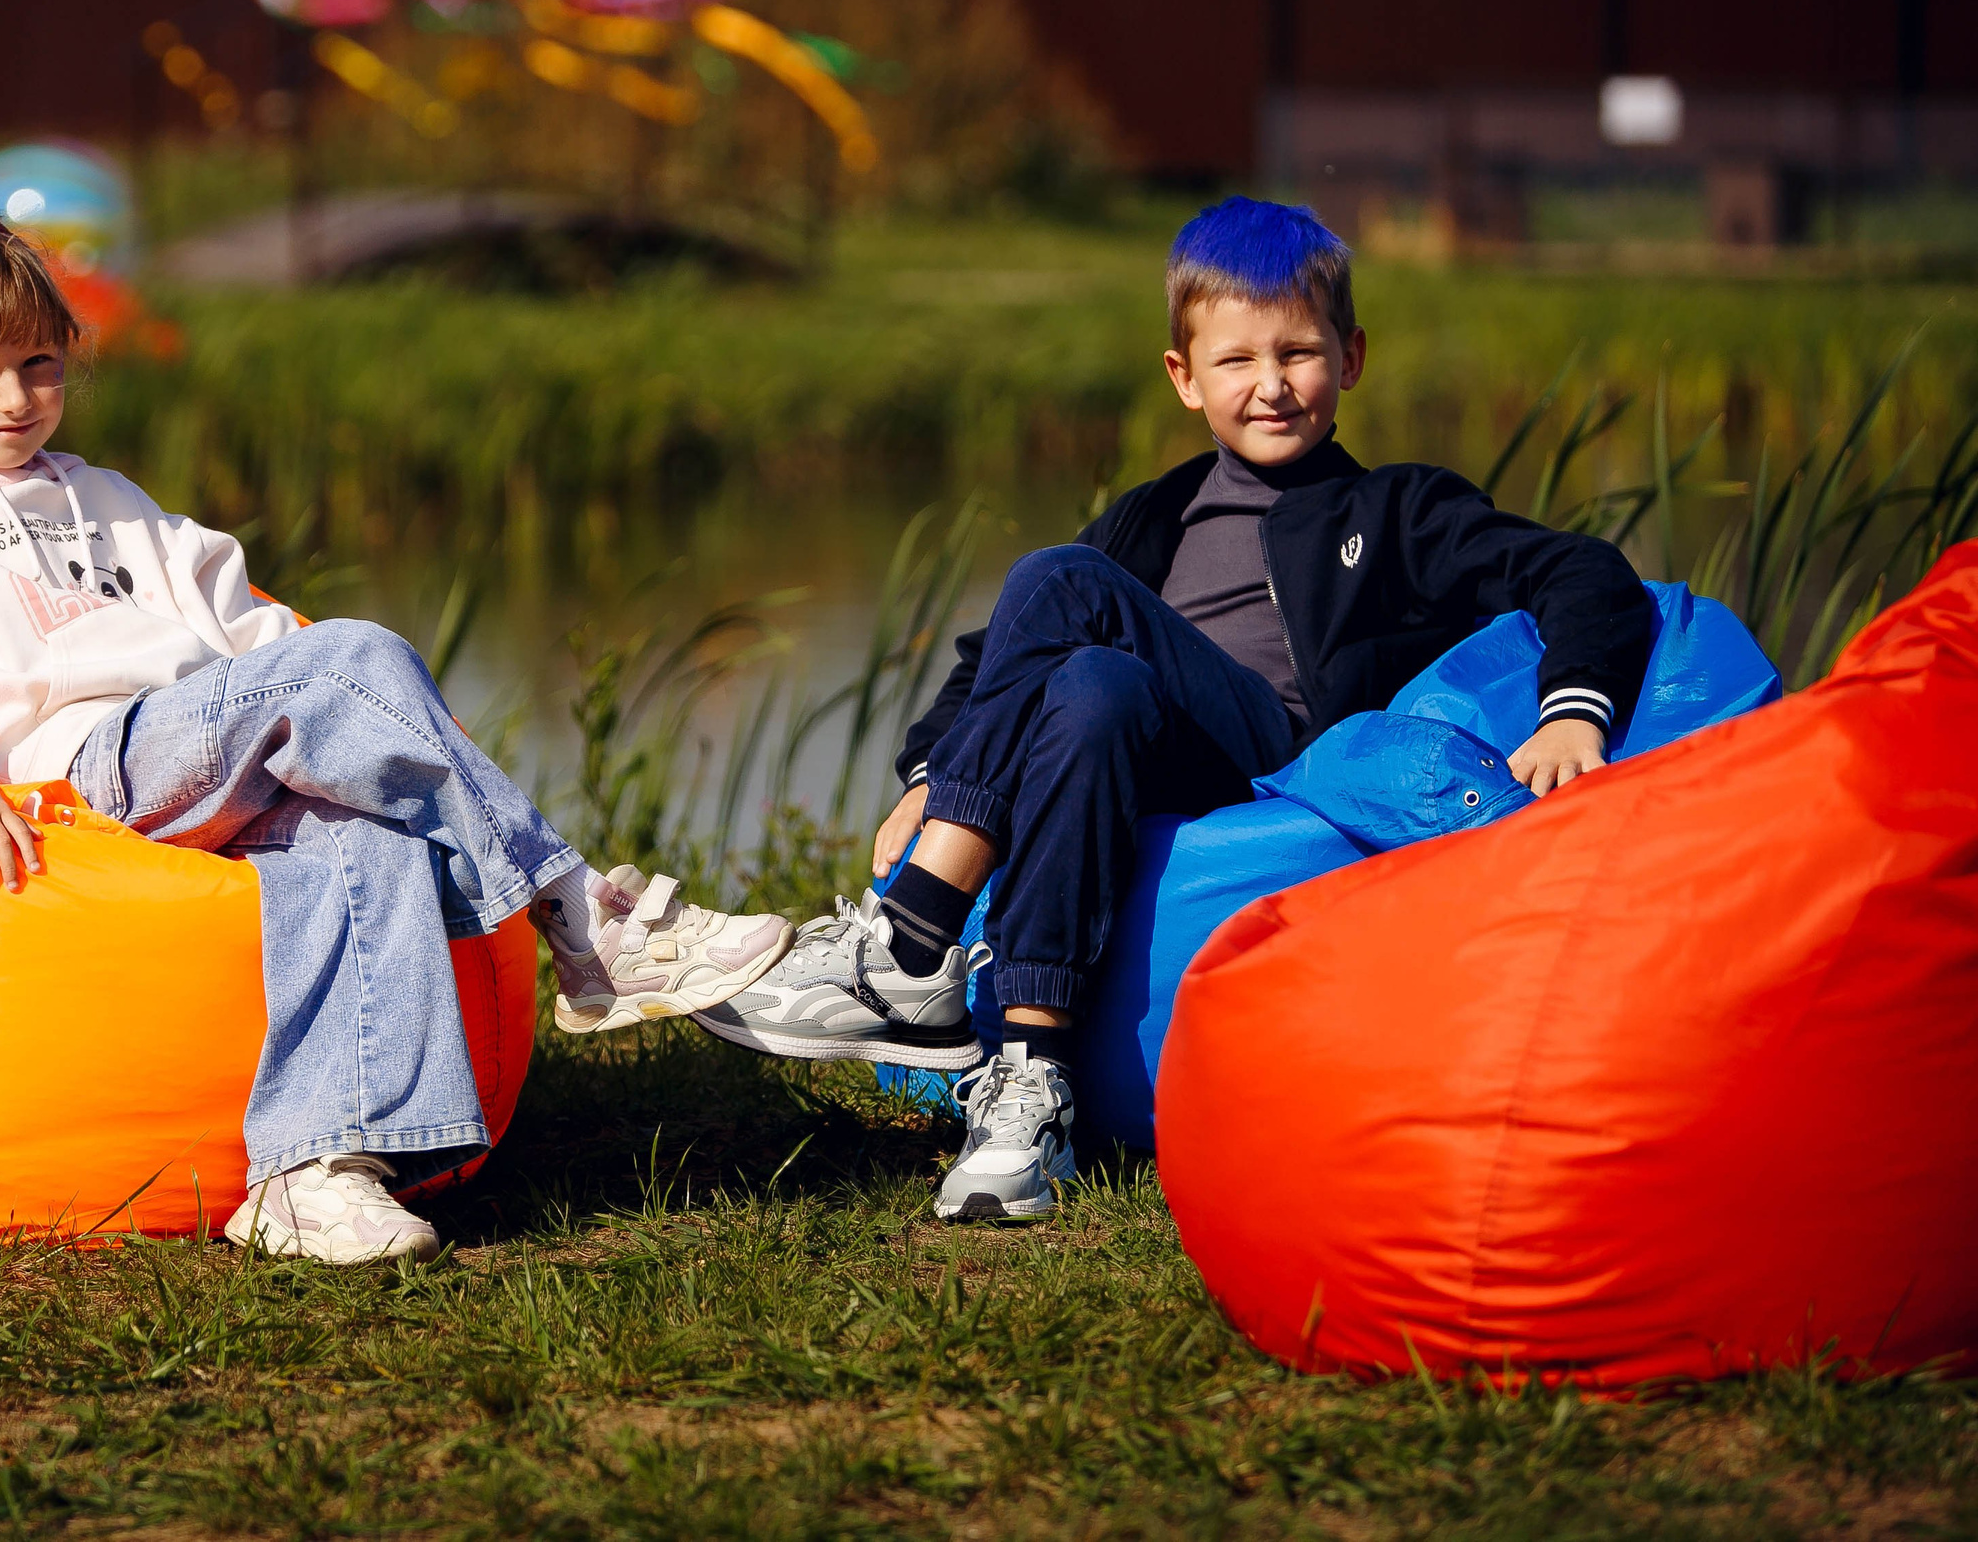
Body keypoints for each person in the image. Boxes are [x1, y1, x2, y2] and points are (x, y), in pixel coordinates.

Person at [0, 219, 793, 1265]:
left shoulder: (109, 499)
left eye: (40, 363)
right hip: (91, 769)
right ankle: (583, 919)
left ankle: (311, 1175)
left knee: (367, 836)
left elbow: (249, 630)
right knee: (351, 655)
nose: (15, 398)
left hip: (208, 746)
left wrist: (373, 723)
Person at [699, 197, 1653, 1225]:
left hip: (1272, 759)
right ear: (1183, 378)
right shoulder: (1151, 515)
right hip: (1134, 748)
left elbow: (1581, 571)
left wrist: (1572, 712)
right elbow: (991, 661)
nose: (1272, 385)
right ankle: (1032, 1091)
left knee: (1061, 582)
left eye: (1299, 352)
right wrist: (932, 769)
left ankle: (912, 939)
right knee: (1090, 686)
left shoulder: (1398, 510)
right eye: (1236, 361)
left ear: (1352, 356)